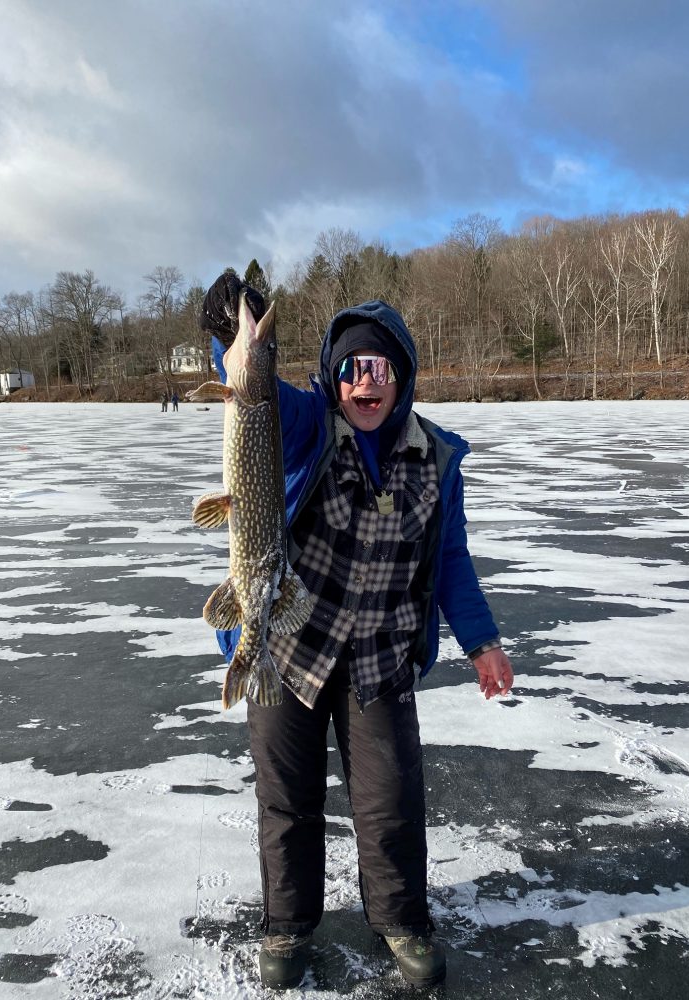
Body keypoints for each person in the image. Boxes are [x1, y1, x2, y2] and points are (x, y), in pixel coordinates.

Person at [200, 272, 514, 990]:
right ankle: (286, 928)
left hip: (380, 655)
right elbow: (256, 399)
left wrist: (483, 640)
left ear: (401, 377)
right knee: (287, 801)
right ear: (332, 378)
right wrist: (234, 339)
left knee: (391, 800)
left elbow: (452, 560)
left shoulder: (436, 458)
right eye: (350, 369)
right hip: (286, 649)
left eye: (378, 369)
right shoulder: (308, 424)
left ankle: (401, 920)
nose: (364, 384)